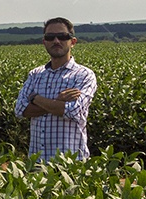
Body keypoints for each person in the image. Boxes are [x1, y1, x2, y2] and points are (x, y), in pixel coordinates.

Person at [14, 17, 97, 162]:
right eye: (50, 37)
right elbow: (20, 110)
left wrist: (36, 99)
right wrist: (57, 103)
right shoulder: (35, 75)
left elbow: (72, 111)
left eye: (63, 36)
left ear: (73, 42)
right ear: (44, 42)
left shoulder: (84, 75)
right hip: (37, 162)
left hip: (71, 164)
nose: (56, 41)